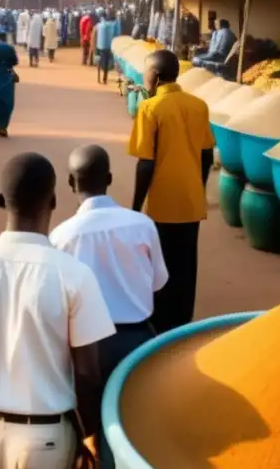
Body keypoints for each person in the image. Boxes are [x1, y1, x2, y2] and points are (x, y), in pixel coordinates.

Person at [0, 153, 115, 469]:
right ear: (54, 201)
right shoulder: (73, 275)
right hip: (43, 439)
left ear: (1, 201)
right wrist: (89, 436)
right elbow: (87, 375)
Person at [51, 144, 167, 467]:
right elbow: (158, 283)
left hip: (86, 349)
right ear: (111, 179)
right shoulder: (142, 225)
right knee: (134, 425)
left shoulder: (61, 237)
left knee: (95, 425)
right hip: (138, 341)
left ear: (71, 184)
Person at [129, 50, 215, 333]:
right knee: (186, 262)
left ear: (155, 76)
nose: (144, 77)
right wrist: (198, 189)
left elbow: (145, 163)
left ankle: (161, 324)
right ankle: (183, 321)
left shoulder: (150, 108)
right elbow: (205, 155)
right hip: (190, 200)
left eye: (146, 72)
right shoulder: (199, 105)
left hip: (162, 202)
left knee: (159, 264)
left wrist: (135, 206)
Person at [95, 10, 120, 85]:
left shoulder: (99, 25)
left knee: (103, 62)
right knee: (115, 61)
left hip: (101, 47)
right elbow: (117, 34)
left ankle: (104, 77)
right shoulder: (114, 24)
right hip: (111, 46)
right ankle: (117, 77)